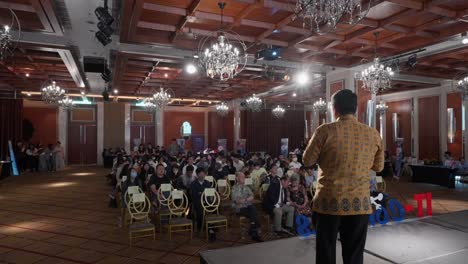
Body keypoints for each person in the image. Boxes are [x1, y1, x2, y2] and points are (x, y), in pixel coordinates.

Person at [303, 89, 384, 264]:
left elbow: (307, 160)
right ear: (355, 108)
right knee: (354, 255)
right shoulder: (373, 134)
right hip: (359, 204)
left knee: (326, 253)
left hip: (328, 203)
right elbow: (379, 166)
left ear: (334, 109)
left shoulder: (325, 130)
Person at [231, 172, 262, 242]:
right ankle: (254, 231)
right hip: (239, 208)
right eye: (242, 177)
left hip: (247, 206)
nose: (244, 178)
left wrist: (244, 199)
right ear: (237, 178)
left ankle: (253, 230)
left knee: (253, 209)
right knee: (254, 213)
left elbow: (252, 196)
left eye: (244, 177)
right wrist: (247, 199)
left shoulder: (246, 187)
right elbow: (237, 201)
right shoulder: (234, 188)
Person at [190, 168, 211, 232]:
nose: (202, 176)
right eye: (200, 174)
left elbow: (209, 193)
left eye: (203, 174)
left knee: (214, 206)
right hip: (197, 201)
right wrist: (202, 193)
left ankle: (211, 226)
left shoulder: (207, 183)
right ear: (197, 175)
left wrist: (201, 193)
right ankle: (201, 226)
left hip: (206, 200)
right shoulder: (193, 183)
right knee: (200, 209)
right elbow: (194, 195)